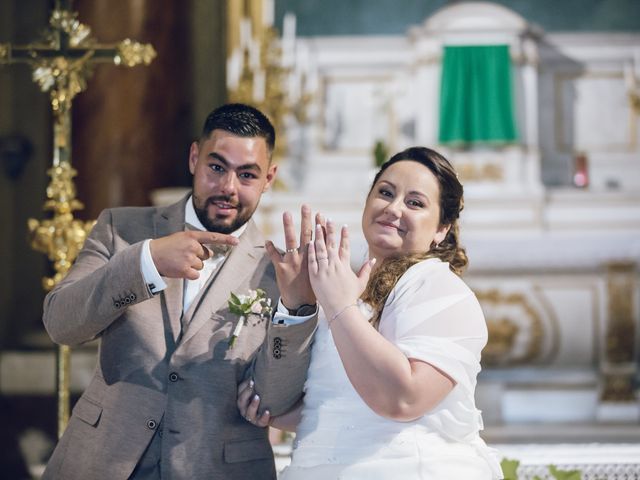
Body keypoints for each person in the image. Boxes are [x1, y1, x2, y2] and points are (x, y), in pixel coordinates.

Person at [42, 103, 318, 480]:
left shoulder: (277, 271)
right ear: (194, 158)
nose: (228, 188)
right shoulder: (121, 228)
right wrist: (146, 263)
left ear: (268, 178)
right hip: (104, 461)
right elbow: (61, 324)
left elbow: (272, 400)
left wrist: (295, 308)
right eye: (216, 167)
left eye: (247, 175)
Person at [239, 146, 503, 479]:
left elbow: (402, 401)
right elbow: (337, 401)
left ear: (441, 229)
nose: (393, 209)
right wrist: (296, 305)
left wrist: (339, 307)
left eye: (415, 203)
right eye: (385, 193)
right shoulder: (345, 287)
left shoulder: (442, 291)